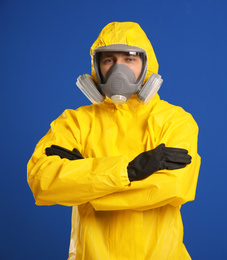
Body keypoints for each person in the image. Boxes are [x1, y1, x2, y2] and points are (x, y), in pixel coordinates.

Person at [27, 21, 201, 260]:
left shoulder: (175, 121)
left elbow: (175, 187)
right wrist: (129, 172)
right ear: (96, 67)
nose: (120, 70)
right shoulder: (74, 123)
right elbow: (42, 181)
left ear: (146, 65)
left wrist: (85, 181)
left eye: (130, 59)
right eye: (109, 60)